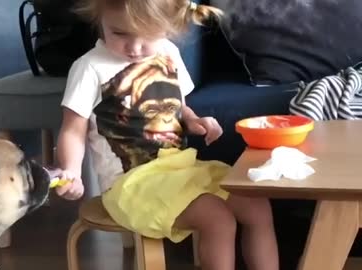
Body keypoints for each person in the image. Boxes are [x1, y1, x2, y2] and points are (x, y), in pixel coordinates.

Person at [54, 0, 279, 269]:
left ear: (168, 27)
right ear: (99, 20)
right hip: (130, 183)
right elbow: (72, 129)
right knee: (217, 219)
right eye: (119, 33)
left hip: (180, 168)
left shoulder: (168, 53)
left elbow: (178, 103)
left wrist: (195, 120)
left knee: (257, 206)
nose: (135, 48)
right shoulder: (90, 68)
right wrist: (71, 171)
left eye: (147, 35)